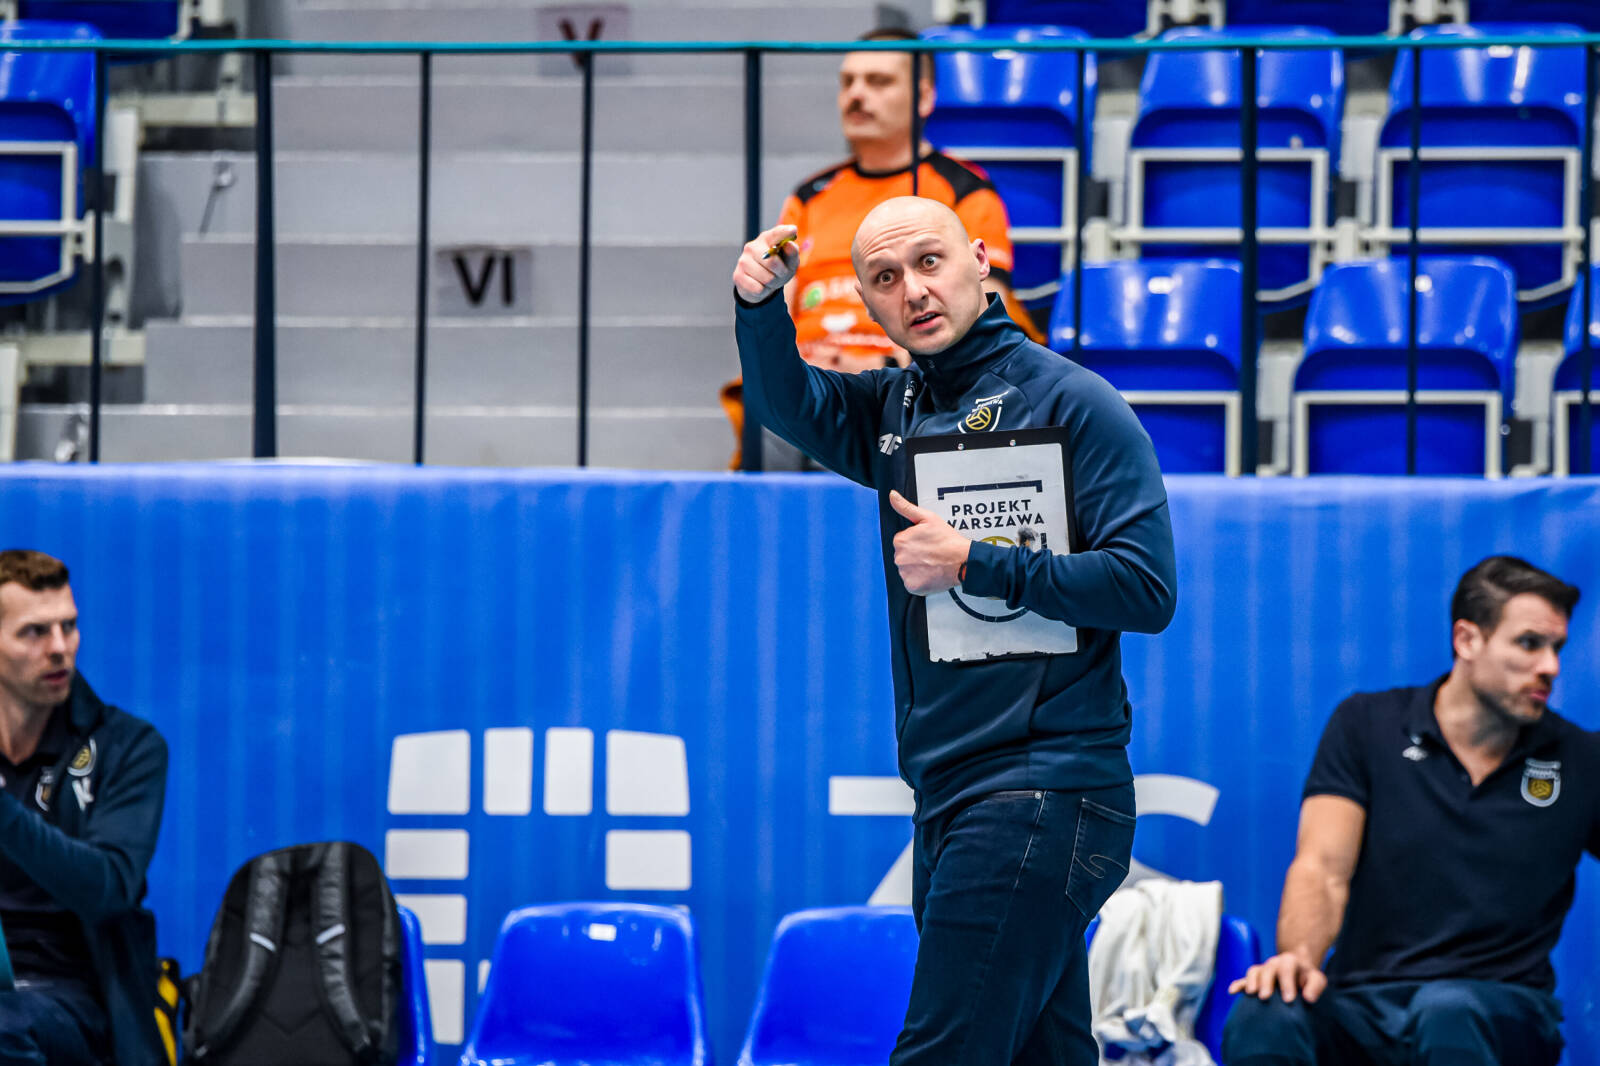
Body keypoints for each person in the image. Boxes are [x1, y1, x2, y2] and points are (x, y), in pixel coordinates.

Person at [732, 196, 1177, 1065]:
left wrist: (979, 561)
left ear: (980, 259)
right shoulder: (895, 408)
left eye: (929, 262)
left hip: (1043, 791)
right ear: (868, 304)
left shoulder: (1076, 402)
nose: (914, 290)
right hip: (948, 796)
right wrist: (758, 306)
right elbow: (789, 403)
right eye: (885, 278)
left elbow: (1146, 587)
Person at [1221, 555, 1597, 1066]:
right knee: (1267, 1010)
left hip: (1503, 1010)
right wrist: (1299, 960)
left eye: (1557, 648)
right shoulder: (1366, 725)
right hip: (1364, 1004)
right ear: (1467, 640)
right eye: (1530, 644)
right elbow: (1322, 868)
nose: (1550, 667)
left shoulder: (1582, 759)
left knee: (1448, 1010)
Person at [721, 27, 1045, 469]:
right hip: (818, 385)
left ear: (923, 98)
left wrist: (882, 361)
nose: (856, 95)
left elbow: (985, 315)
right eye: (848, 82)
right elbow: (783, 311)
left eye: (878, 81)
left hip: (909, 382)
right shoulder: (810, 196)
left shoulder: (965, 190)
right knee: (767, 409)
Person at [0, 550, 169, 1066]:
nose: (60, 648)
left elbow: (109, 889)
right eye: (34, 632)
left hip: (76, 1000)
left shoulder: (127, 747)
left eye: (68, 627)